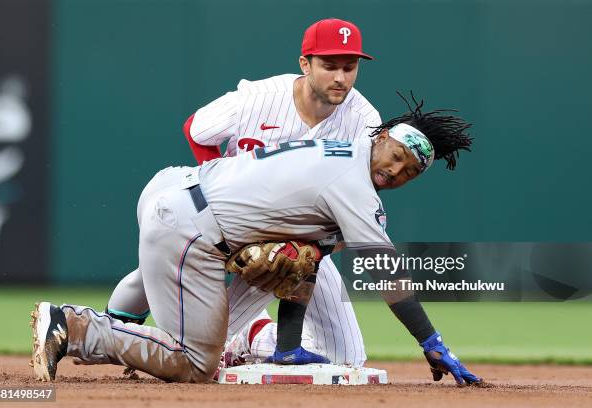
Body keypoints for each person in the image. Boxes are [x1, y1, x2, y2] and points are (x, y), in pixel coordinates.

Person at [30, 97, 482, 386]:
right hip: (190, 228)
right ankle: (74, 326)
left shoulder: (343, 160)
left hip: (183, 203)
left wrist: (289, 347)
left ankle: (267, 343)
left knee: (291, 260)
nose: (397, 172)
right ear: (380, 138)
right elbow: (387, 274)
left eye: (410, 172)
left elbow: (307, 262)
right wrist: (431, 340)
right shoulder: (355, 183)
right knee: (194, 363)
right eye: (397, 156)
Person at [105, 17, 379, 367]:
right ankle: (107, 333)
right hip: (222, 216)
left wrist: (310, 249)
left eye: (349, 66)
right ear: (305, 64)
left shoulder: (364, 122)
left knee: (347, 359)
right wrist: (219, 188)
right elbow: (197, 129)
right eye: (329, 66)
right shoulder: (261, 98)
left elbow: (355, 211)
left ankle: (252, 337)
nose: (341, 77)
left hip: (294, 238)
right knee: (158, 275)